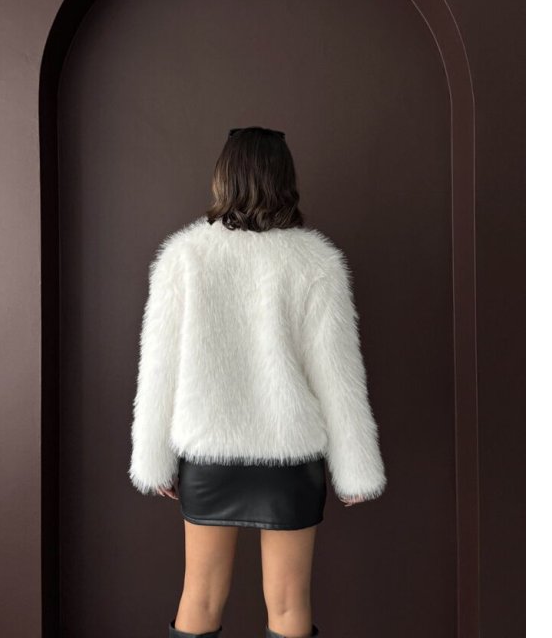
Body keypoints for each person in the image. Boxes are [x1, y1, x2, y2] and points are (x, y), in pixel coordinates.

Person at [129, 126, 387, 638]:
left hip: (209, 455)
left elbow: (159, 367)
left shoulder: (184, 256)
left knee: (200, 597)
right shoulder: (315, 261)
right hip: (289, 458)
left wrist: (152, 458)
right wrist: (356, 468)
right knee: (290, 605)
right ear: (284, 179)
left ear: (223, 178)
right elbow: (337, 374)